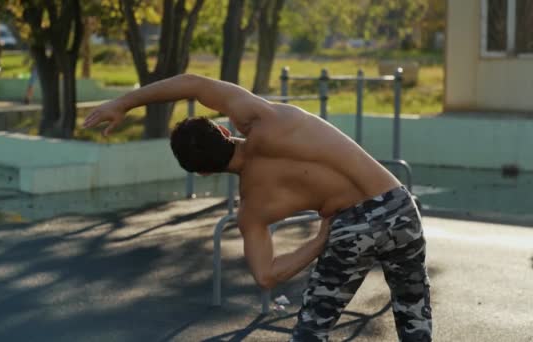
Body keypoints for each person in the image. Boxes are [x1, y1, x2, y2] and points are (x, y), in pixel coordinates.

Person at [82, 74, 432, 342]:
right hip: (398, 202)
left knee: (312, 331)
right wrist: (124, 102)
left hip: (350, 227)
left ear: (203, 172)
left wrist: (318, 242)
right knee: (413, 312)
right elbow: (191, 83)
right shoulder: (262, 118)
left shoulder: (252, 210)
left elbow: (266, 276)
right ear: (222, 129)